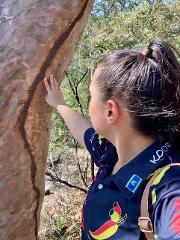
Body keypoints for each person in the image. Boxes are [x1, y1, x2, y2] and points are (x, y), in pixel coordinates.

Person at [44, 39, 180, 240]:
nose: (89, 104)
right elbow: (84, 131)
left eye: (91, 96)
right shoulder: (112, 151)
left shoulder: (168, 185)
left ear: (110, 110)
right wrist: (59, 104)